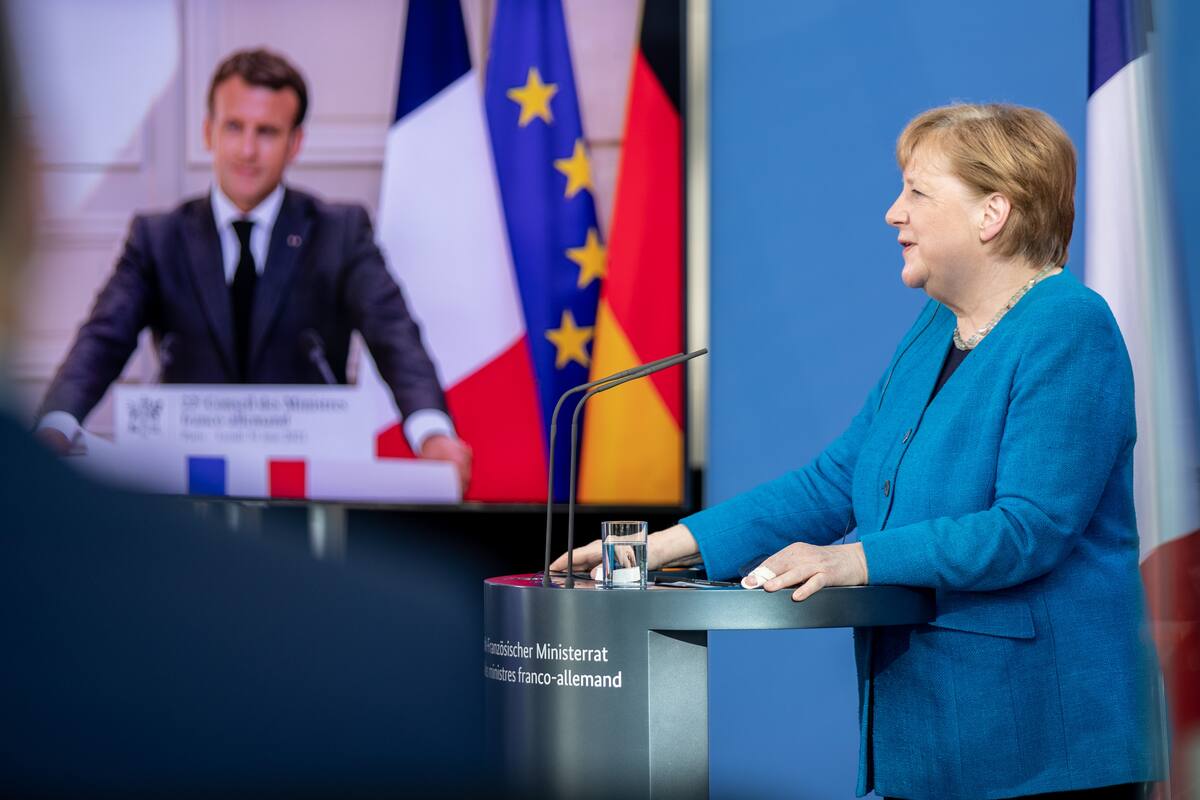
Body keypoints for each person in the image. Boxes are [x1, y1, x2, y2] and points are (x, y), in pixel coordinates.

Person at [555, 103, 1164, 798]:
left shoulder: (1068, 327)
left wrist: (853, 560)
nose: (892, 213)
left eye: (917, 192)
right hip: (928, 733)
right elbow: (836, 481)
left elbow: (1027, 529)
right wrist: (664, 546)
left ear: (992, 214)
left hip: (1036, 748)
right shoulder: (938, 325)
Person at [33, 48, 471, 489]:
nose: (246, 150)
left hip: (309, 494)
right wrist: (55, 423)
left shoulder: (340, 231)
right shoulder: (158, 237)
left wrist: (432, 434)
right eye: (234, 127)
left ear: (295, 142)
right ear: (208, 132)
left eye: (266, 132)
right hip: (188, 495)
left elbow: (394, 335)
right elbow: (102, 339)